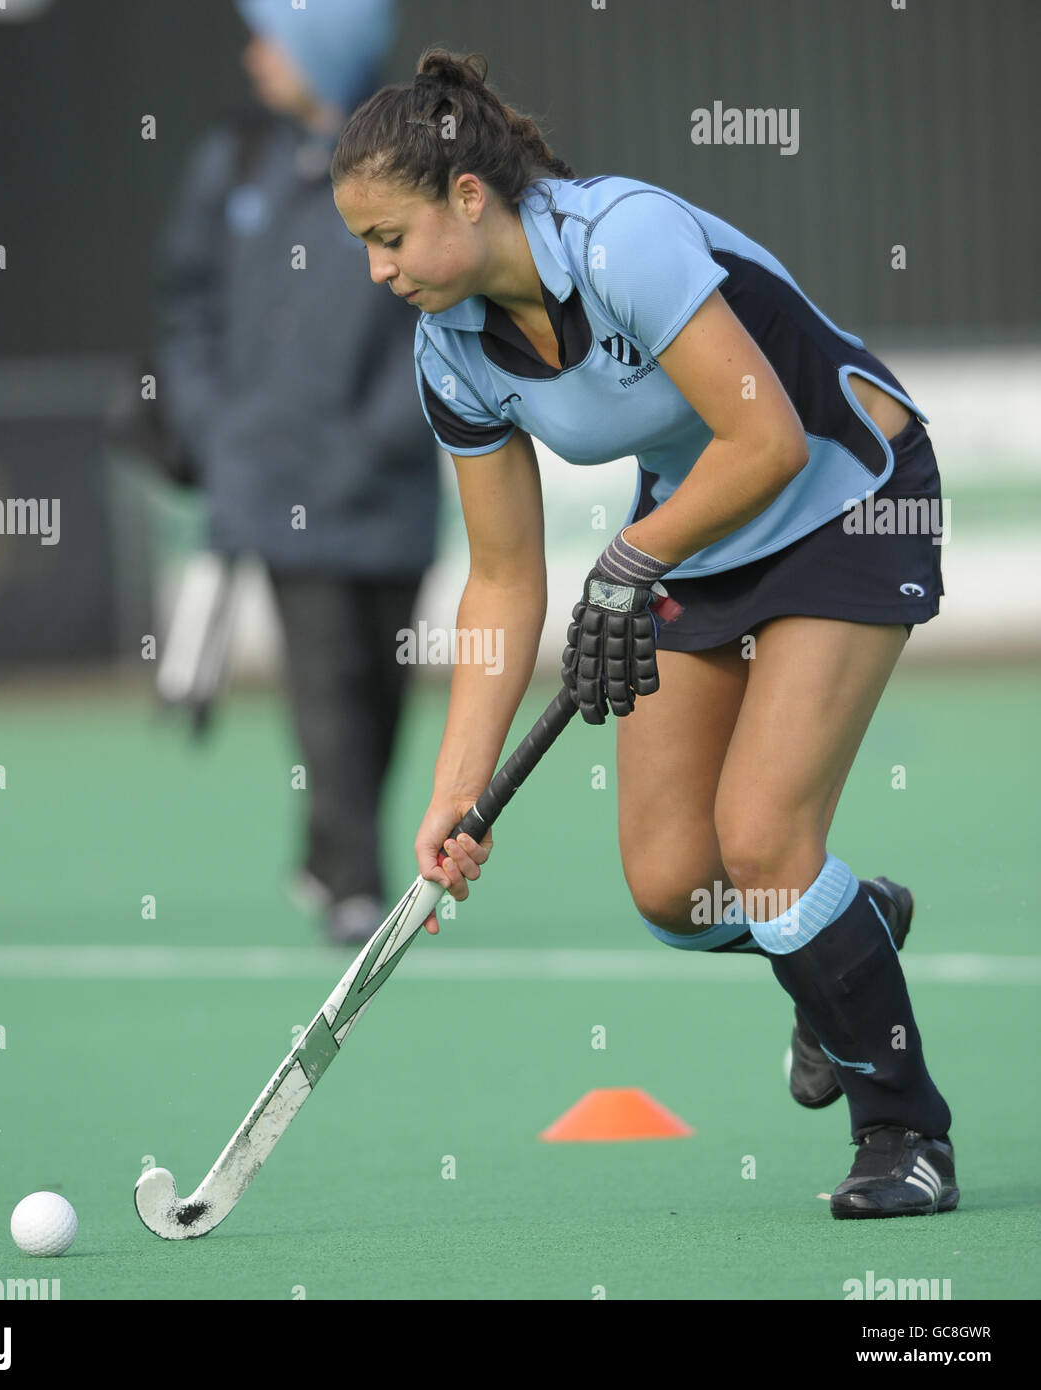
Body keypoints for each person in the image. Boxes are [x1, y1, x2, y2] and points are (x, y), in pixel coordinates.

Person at [330, 48, 956, 1218]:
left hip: (845, 495)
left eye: (389, 236)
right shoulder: (449, 349)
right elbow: (502, 580)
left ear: (467, 195)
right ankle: (851, 926)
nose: (376, 269)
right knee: (677, 886)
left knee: (763, 840)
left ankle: (903, 1131)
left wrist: (629, 559)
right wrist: (451, 796)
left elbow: (763, 442)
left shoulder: (620, 241)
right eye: (363, 245)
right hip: (697, 530)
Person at [156, 0, 438, 946]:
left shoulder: (414, 161)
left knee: (384, 685)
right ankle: (355, 882)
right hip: (282, 486)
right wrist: (213, 422)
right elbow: (186, 306)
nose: (253, 54)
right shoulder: (232, 161)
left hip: (389, 487)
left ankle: (328, 856)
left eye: (272, 35)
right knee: (324, 681)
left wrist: (380, 435)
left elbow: (443, 314)